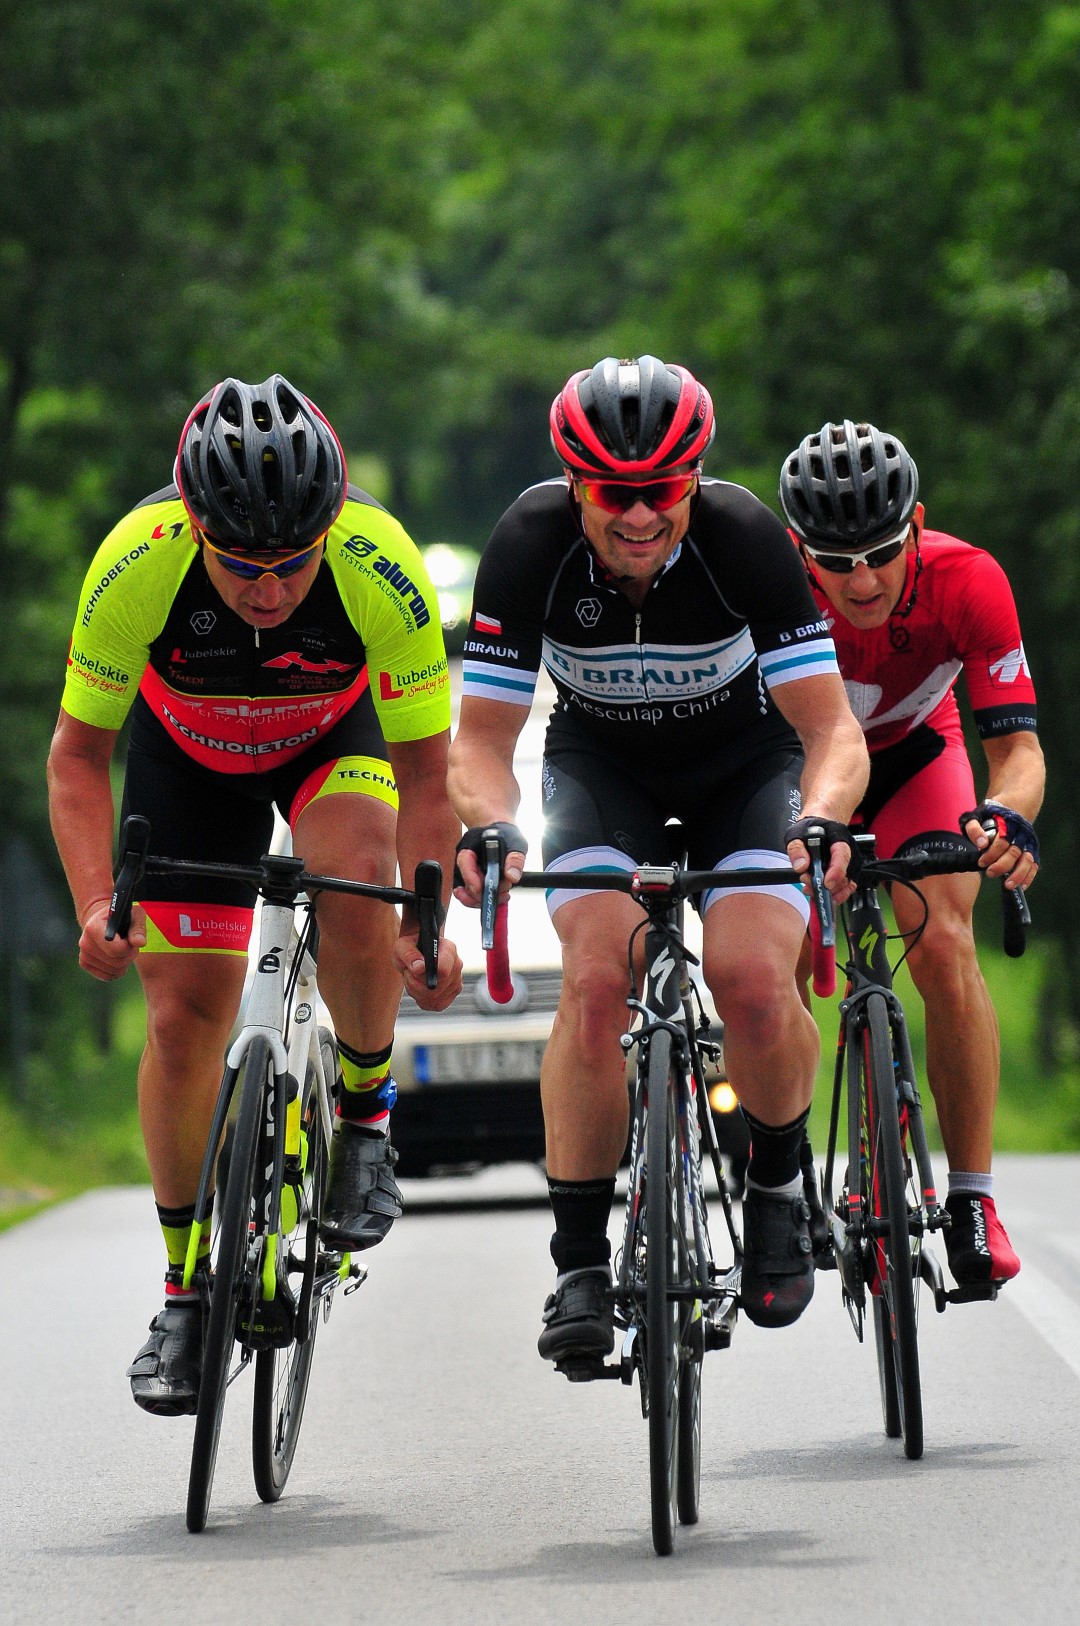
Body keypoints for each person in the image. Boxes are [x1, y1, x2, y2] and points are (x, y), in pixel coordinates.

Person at [47, 374, 462, 1415]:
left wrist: (427, 922)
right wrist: (95, 904)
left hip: (331, 743)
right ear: (194, 527)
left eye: (293, 564)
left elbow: (427, 776)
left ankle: (364, 1119)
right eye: (239, 565)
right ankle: (186, 1294)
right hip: (187, 759)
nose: (269, 591)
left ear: (331, 531)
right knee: (182, 1020)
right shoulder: (137, 562)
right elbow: (76, 757)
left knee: (358, 881)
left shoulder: (379, 563)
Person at [448, 355, 869, 1364]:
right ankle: (580, 1266)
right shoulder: (529, 543)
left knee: (752, 978)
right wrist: (492, 823)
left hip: (745, 771)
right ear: (574, 486)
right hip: (605, 774)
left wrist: (822, 817)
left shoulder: (744, 539)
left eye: (661, 490)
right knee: (595, 982)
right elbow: (480, 744)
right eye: (614, 493)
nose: (639, 515)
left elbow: (831, 731)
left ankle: (776, 1185)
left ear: (694, 482)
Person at [779, 419, 1043, 1289]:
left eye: (882, 553)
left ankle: (972, 1198)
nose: (862, 580)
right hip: (801, 767)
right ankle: (784, 1178)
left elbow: (1017, 752)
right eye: (835, 560)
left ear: (917, 527)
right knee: (770, 959)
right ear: (798, 549)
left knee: (942, 938)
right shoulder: (768, 586)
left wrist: (1005, 818)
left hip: (916, 754)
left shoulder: (969, 579)